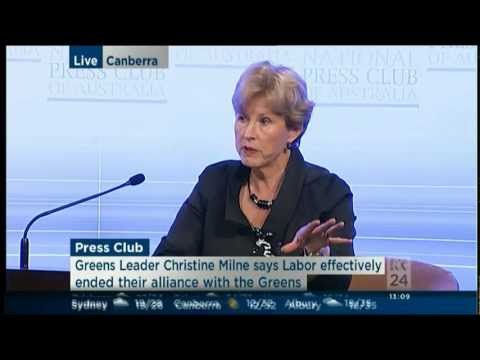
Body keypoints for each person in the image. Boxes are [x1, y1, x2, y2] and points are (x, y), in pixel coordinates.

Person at [153, 61, 357, 290]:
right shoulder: (214, 182)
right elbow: (167, 262)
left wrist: (313, 258)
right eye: (242, 118)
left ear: (293, 130)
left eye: (264, 121)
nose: (248, 133)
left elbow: (337, 286)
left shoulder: (328, 193)